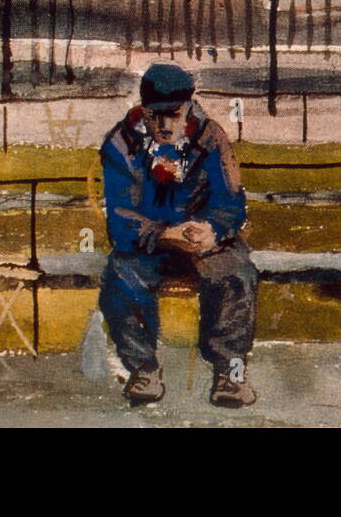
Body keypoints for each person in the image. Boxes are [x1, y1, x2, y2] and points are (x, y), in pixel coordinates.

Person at [97, 64, 258, 408]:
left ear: (187, 109)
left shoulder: (210, 137)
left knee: (236, 273)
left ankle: (230, 374)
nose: (165, 125)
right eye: (156, 116)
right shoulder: (121, 143)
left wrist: (213, 229)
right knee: (121, 275)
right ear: (143, 111)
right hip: (150, 244)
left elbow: (231, 202)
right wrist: (164, 233)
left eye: (173, 115)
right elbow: (120, 218)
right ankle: (142, 369)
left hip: (205, 241)